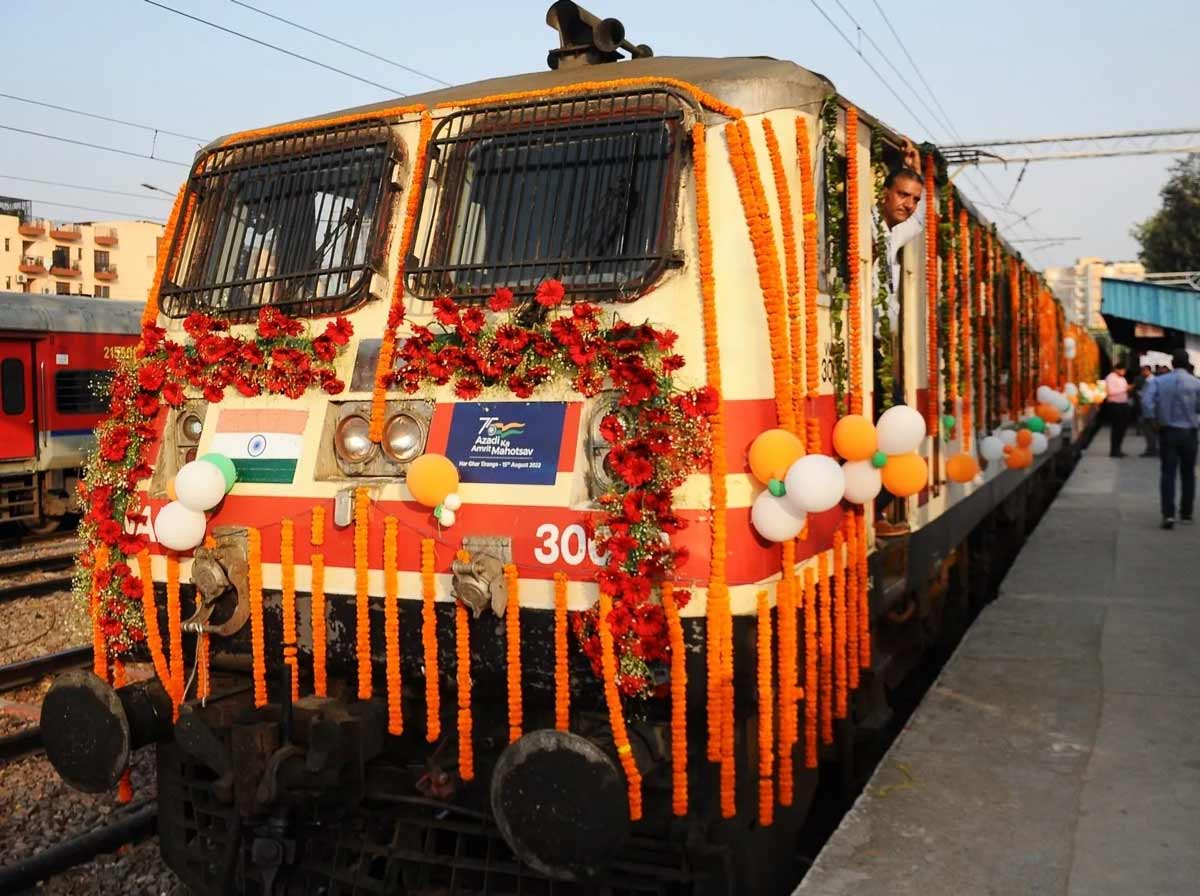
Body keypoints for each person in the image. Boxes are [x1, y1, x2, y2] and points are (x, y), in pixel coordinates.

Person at [1141, 349, 1200, 529]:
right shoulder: (1196, 383)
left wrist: (1152, 421)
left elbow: (1146, 402)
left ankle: (1168, 515)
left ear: (1172, 364)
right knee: (1188, 474)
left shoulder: (1158, 381)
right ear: (1189, 364)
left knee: (1168, 473)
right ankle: (1187, 513)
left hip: (1167, 433)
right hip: (1189, 434)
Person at [875, 140, 925, 337]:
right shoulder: (864, 225)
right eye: (903, 195)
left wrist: (916, 170)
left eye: (915, 199)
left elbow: (919, 220)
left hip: (881, 341)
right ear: (884, 193)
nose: (909, 205)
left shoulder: (896, 231)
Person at [1104, 361, 1131, 457]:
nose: (1124, 372)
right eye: (1123, 370)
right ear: (1117, 369)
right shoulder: (1110, 377)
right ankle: (1114, 451)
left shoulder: (1123, 378)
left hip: (1123, 404)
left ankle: (1119, 449)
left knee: (1122, 429)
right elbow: (1110, 391)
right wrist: (1126, 389)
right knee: (1116, 428)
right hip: (1115, 405)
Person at [1132, 364, 1157, 457]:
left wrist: (1148, 413)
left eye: (1143, 371)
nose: (1142, 373)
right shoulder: (1150, 380)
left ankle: (1151, 450)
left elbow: (1147, 399)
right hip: (1150, 411)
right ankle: (1152, 450)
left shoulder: (1151, 381)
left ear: (1147, 371)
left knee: (1150, 432)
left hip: (1149, 412)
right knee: (1151, 433)